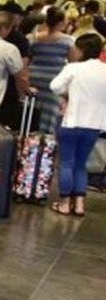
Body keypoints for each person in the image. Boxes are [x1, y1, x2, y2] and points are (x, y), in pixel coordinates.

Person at [50, 32, 106, 216]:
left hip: (72, 121)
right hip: (94, 124)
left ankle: (65, 203)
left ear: (81, 50)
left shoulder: (73, 68)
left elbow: (55, 86)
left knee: (66, 163)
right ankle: (80, 205)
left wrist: (69, 92)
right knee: (81, 165)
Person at [28, 7, 75, 135]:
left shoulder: (35, 38)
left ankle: (31, 136)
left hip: (34, 79)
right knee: (50, 114)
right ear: (60, 23)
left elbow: (28, 58)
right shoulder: (67, 40)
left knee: (33, 111)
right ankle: (46, 138)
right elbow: (73, 62)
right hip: (54, 80)